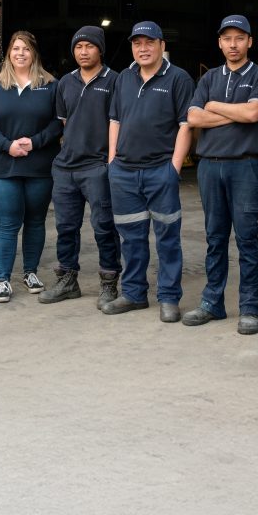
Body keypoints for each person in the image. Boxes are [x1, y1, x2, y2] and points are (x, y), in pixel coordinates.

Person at [182, 15, 258, 335]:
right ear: (219, 43)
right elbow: (194, 117)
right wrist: (234, 114)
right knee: (215, 237)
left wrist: (215, 107)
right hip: (209, 165)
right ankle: (212, 302)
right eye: (226, 39)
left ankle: (250, 307)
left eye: (239, 38)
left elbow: (253, 113)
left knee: (247, 237)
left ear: (250, 41)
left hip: (245, 166)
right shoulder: (209, 78)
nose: (232, 45)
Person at [103, 21, 194, 323]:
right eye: (137, 43)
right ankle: (133, 293)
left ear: (161, 45)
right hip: (125, 173)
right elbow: (115, 120)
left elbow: (185, 125)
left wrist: (174, 168)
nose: (143, 48)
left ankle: (169, 297)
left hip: (160, 171)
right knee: (131, 237)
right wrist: (113, 162)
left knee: (168, 237)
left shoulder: (178, 78)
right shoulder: (124, 78)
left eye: (149, 42)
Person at [39, 25, 122, 309]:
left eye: (89, 46)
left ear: (100, 49)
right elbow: (64, 123)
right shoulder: (66, 82)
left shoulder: (115, 81)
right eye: (78, 47)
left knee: (104, 227)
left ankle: (109, 282)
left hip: (97, 166)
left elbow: (118, 124)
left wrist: (109, 162)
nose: (83, 52)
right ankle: (67, 280)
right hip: (66, 168)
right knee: (65, 227)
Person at [0, 31, 63, 303]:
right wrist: (7, 145)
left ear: (34, 53)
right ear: (8, 54)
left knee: (36, 221)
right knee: (6, 224)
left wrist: (35, 142)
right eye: (15, 49)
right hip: (5, 167)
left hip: (39, 166)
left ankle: (30, 273)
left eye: (26, 49)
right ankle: (2, 279)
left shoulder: (51, 85)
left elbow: (57, 122)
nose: (20, 53)